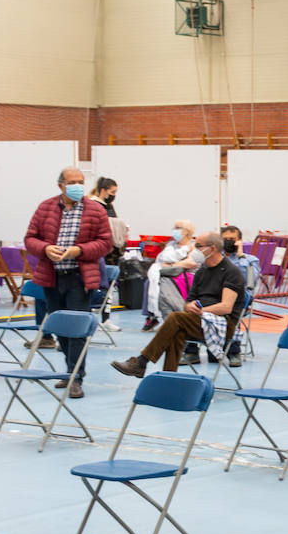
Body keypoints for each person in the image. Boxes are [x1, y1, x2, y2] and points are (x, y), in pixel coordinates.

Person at [23, 167, 113, 399]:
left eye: (81, 182)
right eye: (73, 182)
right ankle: (69, 369)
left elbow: (106, 243)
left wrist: (79, 250)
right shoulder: (45, 207)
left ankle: (75, 376)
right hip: (52, 276)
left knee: (77, 328)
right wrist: (44, 248)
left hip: (79, 277)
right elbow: (30, 238)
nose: (78, 186)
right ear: (61, 185)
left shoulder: (95, 210)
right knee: (58, 326)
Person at [110, 231, 244, 376]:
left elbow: (226, 307)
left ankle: (142, 362)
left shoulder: (231, 271)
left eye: (198, 246)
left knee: (175, 318)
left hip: (223, 324)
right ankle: (169, 377)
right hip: (199, 319)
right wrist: (190, 306)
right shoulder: (201, 271)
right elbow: (188, 301)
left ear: (212, 248)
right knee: (177, 332)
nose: (195, 249)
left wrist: (203, 310)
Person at [143, 219, 199, 330]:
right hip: (168, 274)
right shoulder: (171, 245)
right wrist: (177, 264)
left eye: (178, 228)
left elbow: (190, 263)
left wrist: (171, 264)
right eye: (175, 228)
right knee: (150, 282)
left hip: (187, 276)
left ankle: (171, 316)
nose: (175, 231)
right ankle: (152, 315)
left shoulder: (194, 246)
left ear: (187, 231)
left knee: (164, 284)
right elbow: (162, 261)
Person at [220, 225, 260, 368]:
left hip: (240, 297)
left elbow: (248, 281)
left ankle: (234, 351)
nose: (229, 242)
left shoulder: (251, 260)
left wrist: (240, 256)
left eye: (232, 239)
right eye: (225, 239)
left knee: (232, 304)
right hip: (216, 296)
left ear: (240, 240)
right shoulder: (215, 258)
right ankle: (192, 350)